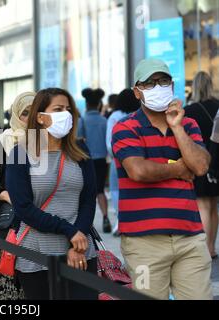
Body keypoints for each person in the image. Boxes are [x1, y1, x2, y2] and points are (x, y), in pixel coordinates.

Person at [112, 58, 212, 300]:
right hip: (144, 241)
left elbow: (200, 165)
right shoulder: (125, 127)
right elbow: (138, 171)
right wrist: (178, 169)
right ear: (137, 92)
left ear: (172, 85)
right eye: (150, 83)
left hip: (190, 237)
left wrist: (177, 127)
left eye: (163, 81)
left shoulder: (188, 124)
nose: (158, 87)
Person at [6, 88, 98, 300]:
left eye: (68, 109)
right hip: (37, 255)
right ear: (40, 116)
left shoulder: (80, 149)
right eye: (58, 109)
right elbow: (23, 207)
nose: (65, 114)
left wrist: (78, 239)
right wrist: (69, 231)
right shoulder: (20, 153)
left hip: (81, 251)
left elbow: (88, 200)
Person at [0, 92, 36, 300]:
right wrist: (6, 195)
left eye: (34, 111)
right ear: (16, 115)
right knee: (12, 286)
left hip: (47, 225)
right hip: (15, 226)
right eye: (24, 113)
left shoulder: (51, 140)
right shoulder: (5, 141)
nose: (29, 117)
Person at [185, 71, 219, 260]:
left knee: (204, 206)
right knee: (214, 206)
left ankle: (206, 249)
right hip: (217, 163)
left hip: (201, 162)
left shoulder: (190, 110)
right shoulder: (218, 106)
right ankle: (212, 247)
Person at [105, 89, 141, 236]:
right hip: (139, 158)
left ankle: (120, 219)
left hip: (117, 159)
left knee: (116, 189)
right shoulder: (139, 115)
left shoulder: (114, 116)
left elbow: (109, 141)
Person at [78, 88, 112, 233]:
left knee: (86, 192)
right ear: (99, 104)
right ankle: (105, 218)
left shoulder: (82, 120)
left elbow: (78, 140)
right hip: (102, 160)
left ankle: (87, 223)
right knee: (100, 190)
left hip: (86, 159)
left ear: (86, 104)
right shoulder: (105, 120)